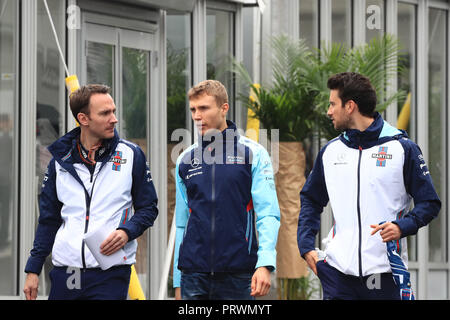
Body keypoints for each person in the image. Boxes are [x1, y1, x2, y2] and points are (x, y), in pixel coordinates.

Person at [297, 72, 441, 300]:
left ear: (350, 106)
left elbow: (430, 203)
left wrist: (402, 226)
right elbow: (311, 200)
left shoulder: (402, 148)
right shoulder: (330, 152)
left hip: (385, 275)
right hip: (337, 275)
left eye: (333, 104)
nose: (329, 111)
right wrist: (306, 247)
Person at [23, 84, 159, 300]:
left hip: (110, 273)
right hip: (66, 272)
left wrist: (127, 231)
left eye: (113, 111)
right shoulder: (59, 159)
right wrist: (33, 268)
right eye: (105, 113)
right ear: (83, 119)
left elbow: (149, 208)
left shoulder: (131, 155)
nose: (114, 118)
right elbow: (49, 220)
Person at [173, 80, 280, 300]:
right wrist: (177, 280)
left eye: (203, 108)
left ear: (224, 108)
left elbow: (268, 214)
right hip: (193, 275)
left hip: (238, 273)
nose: (196, 116)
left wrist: (265, 264)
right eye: (193, 109)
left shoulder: (253, 154)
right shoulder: (184, 159)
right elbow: (182, 223)